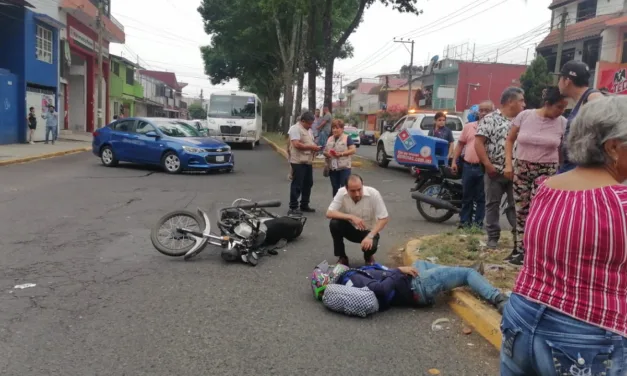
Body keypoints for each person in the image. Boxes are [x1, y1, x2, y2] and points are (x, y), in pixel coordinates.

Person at [499, 95, 627, 376]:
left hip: (521, 319)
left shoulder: (547, 187)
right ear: (614, 147)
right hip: (587, 336)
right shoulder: (621, 201)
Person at [503, 87, 567, 265]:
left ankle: (534, 250)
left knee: (540, 211)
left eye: (564, 108)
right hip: (523, 167)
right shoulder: (525, 116)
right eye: (559, 107)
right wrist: (508, 163)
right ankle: (519, 249)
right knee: (521, 209)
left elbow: (562, 149)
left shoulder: (563, 122)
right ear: (547, 104)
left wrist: (561, 172)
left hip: (548, 171)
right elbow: (509, 140)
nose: (561, 111)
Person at [316, 260, 509, 313]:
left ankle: (459, 273)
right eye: (330, 269)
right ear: (330, 276)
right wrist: (399, 271)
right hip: (416, 286)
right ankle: (498, 298)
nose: (333, 266)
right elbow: (382, 290)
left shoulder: (348, 280)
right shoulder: (354, 280)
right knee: (467, 274)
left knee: (420, 262)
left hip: (409, 283)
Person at [475, 87, 525, 249]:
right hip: (494, 171)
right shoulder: (490, 119)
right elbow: (479, 143)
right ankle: (493, 238)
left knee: (517, 205)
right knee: (492, 205)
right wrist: (488, 166)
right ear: (510, 102)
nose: (524, 104)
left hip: (517, 172)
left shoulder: (523, 120)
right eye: (521, 100)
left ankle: (519, 238)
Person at [326, 174, 389, 266]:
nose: (357, 194)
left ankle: (368, 256)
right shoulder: (341, 192)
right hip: (350, 229)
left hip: (368, 232)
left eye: (359, 189)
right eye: (353, 191)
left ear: (362, 185)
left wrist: (370, 236)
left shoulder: (373, 194)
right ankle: (342, 257)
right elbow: (329, 213)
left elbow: (384, 218)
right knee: (334, 223)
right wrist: (351, 217)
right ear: (346, 189)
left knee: (371, 247)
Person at [555, 60, 604, 174]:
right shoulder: (580, 102)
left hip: (583, 171)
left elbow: (605, 133)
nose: (558, 83)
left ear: (567, 81)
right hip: (571, 168)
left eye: (560, 79)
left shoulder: (593, 97)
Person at [452, 101, 494, 229]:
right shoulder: (469, 127)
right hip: (468, 166)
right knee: (466, 196)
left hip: (484, 168)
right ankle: (464, 222)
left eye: (487, 110)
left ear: (492, 112)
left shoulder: (495, 128)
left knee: (481, 198)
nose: (483, 113)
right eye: (481, 110)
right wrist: (454, 161)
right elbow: (460, 144)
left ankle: (478, 225)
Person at [287, 111, 321, 215]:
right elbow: (296, 144)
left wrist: (315, 147)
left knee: (308, 183)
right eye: (309, 123)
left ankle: (304, 204)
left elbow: (309, 142)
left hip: (308, 160)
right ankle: (293, 207)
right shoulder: (295, 129)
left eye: (311, 123)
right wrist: (312, 147)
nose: (310, 126)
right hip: (298, 161)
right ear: (302, 121)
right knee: (297, 184)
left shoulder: (308, 130)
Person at [323, 119, 356, 197]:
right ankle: (336, 205)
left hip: (344, 168)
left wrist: (341, 154)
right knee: (335, 188)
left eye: (337, 128)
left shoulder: (347, 138)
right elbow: (324, 151)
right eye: (333, 128)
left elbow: (353, 150)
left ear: (342, 129)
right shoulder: (329, 138)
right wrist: (327, 154)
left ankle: (345, 206)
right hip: (333, 168)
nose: (334, 130)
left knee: (344, 188)